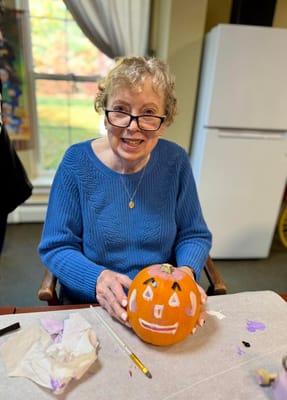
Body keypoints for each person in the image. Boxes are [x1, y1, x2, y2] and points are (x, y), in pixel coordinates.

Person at [38, 56, 212, 328]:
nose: (133, 126)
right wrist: (98, 279)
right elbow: (57, 246)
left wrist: (186, 272)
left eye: (149, 113)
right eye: (120, 109)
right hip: (92, 306)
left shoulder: (175, 161)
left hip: (162, 305)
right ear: (104, 115)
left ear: (164, 122)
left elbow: (194, 234)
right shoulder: (76, 163)